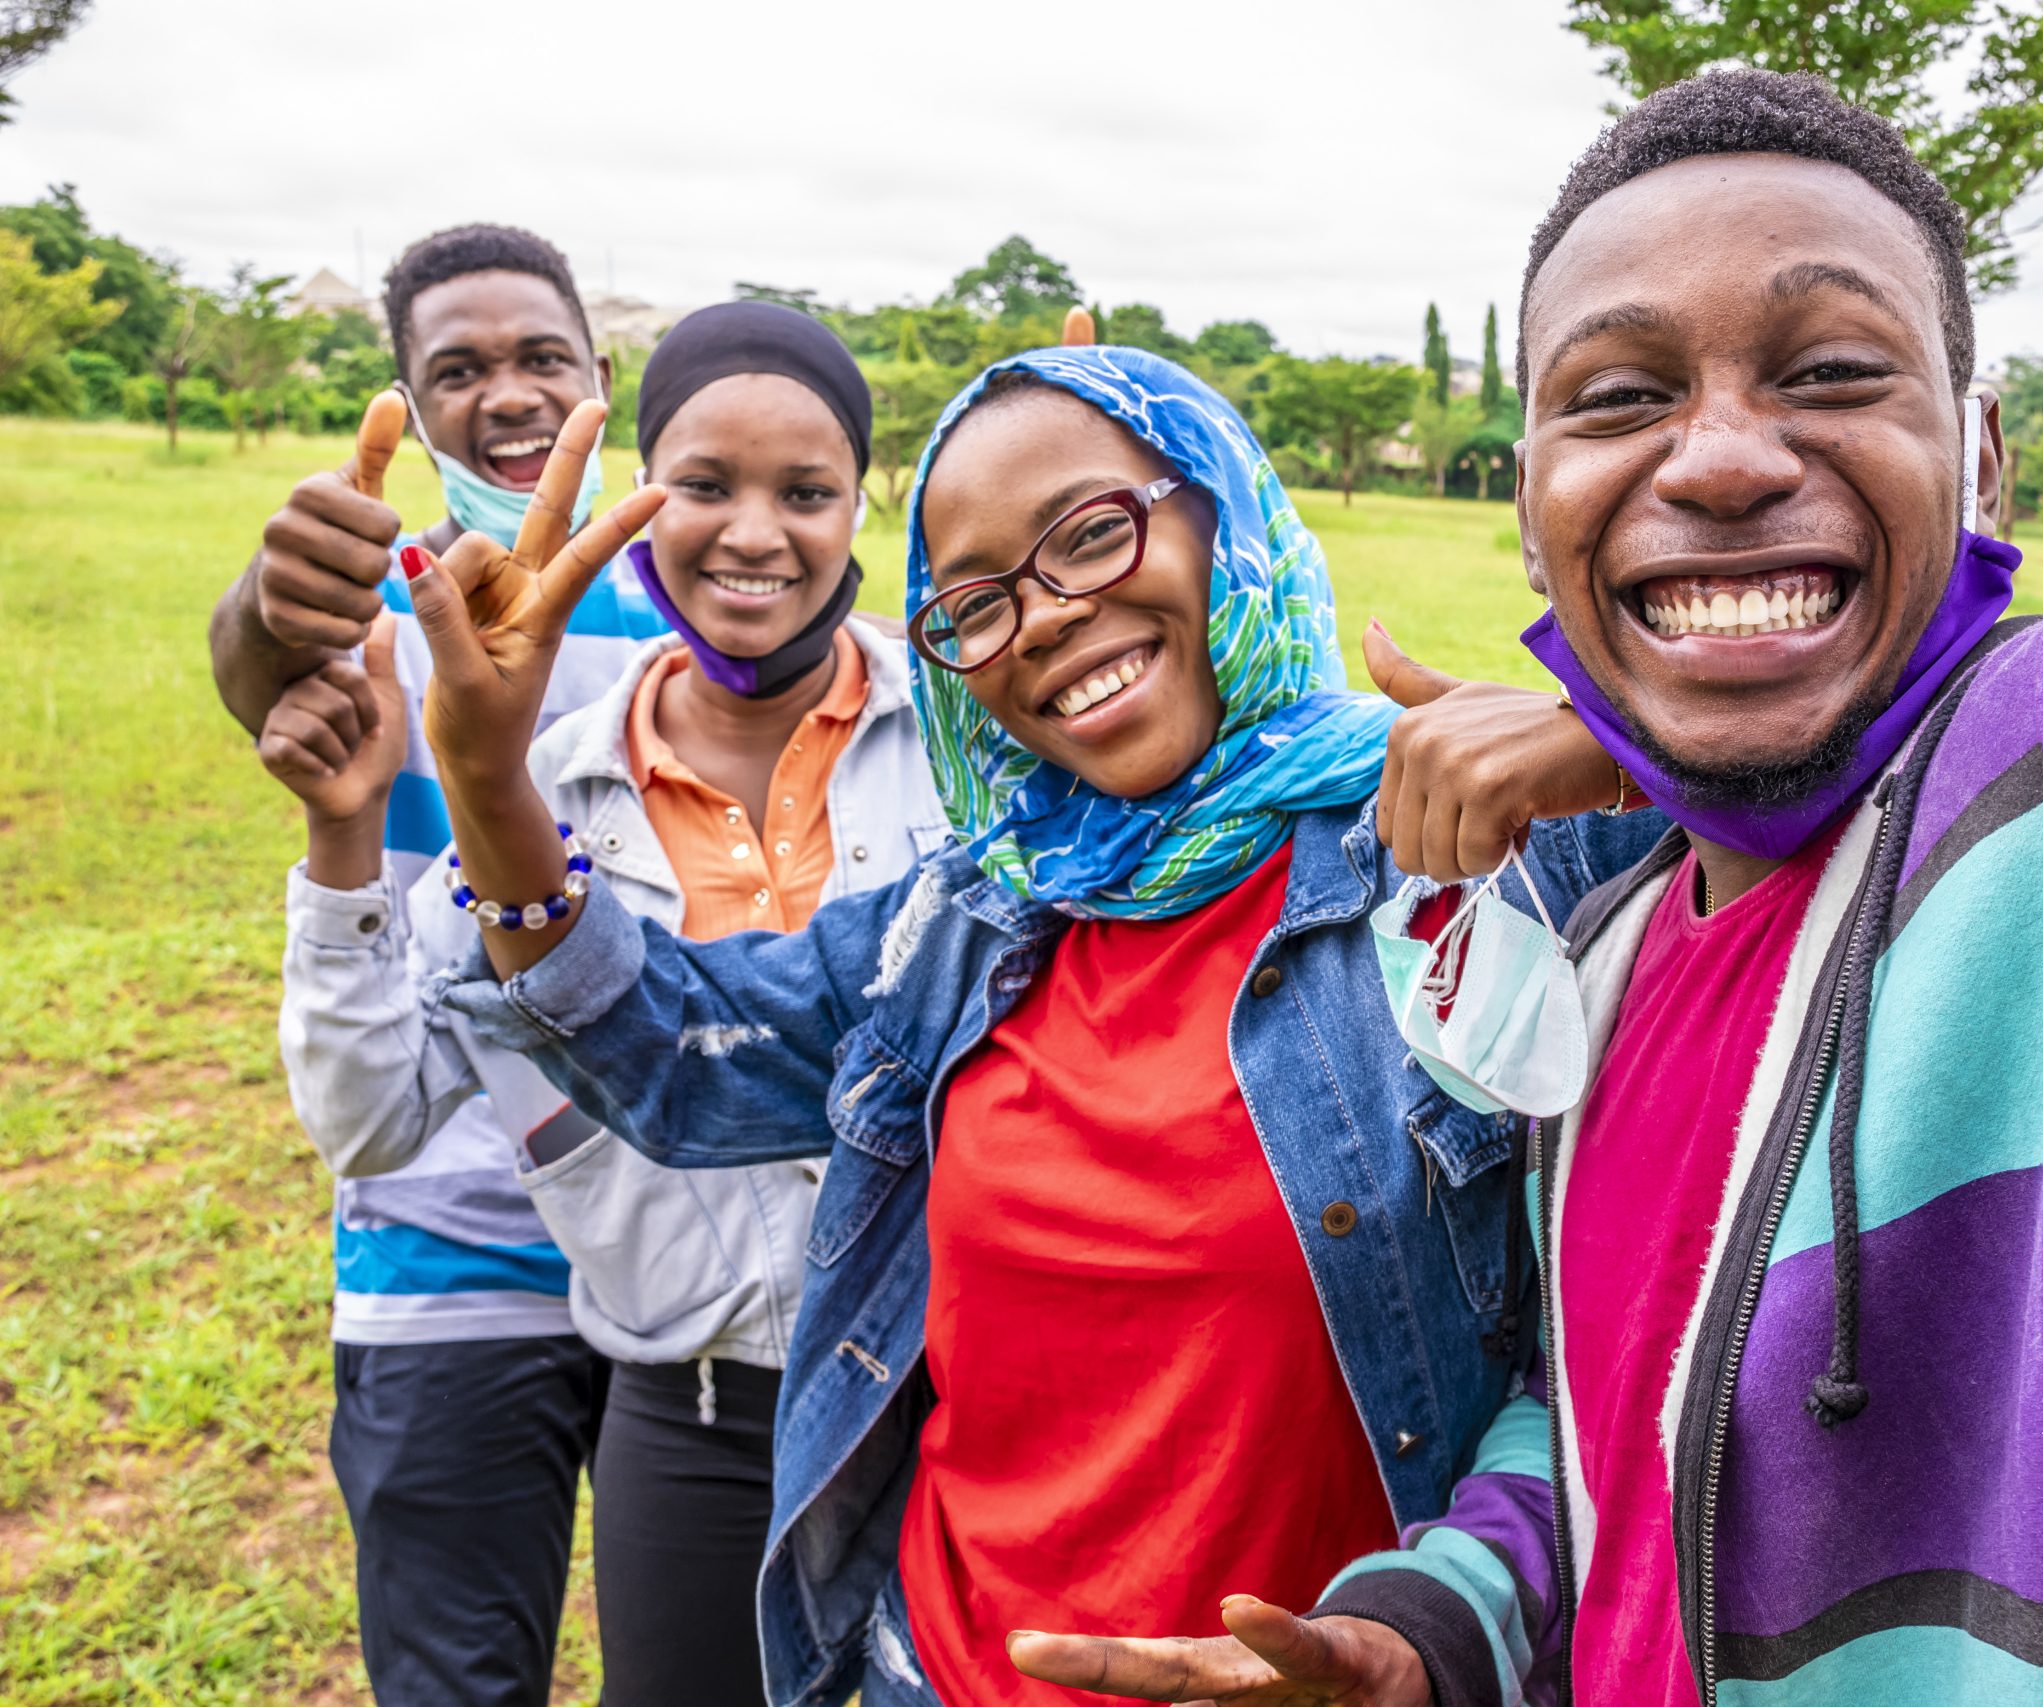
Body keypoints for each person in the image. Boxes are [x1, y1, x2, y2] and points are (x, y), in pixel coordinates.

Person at [1044, 68, 2043, 1707]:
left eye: (1832, 371)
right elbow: (1613, 1406)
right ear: (1534, 498)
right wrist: (1439, 1620)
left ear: (1979, 454)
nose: (1719, 460)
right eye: (1619, 397)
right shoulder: (1606, 954)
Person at [394, 344, 1665, 1706]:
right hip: (930, 1671)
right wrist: (481, 773)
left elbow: (1638, 1342)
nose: (1046, 618)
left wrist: (1643, 748)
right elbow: (664, 1048)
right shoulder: (963, 923)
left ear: (1217, 511)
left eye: (1090, 536)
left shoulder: (1483, 851)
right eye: (977, 603)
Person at [263, 303, 938, 1706]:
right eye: (704, 485)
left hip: (951, 1399)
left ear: (862, 501)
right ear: (636, 496)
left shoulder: (969, 740)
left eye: (806, 491)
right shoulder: (539, 782)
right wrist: (343, 847)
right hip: (691, 1418)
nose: (756, 532)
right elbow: (375, 1125)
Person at [210, 224, 670, 1706]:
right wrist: (270, 613)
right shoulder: (379, 603)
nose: (511, 393)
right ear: (408, 402)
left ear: (601, 375)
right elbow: (263, 664)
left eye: (543, 356)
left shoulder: (716, 596)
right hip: (449, 1251)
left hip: (691, 1247)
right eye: (455, 369)